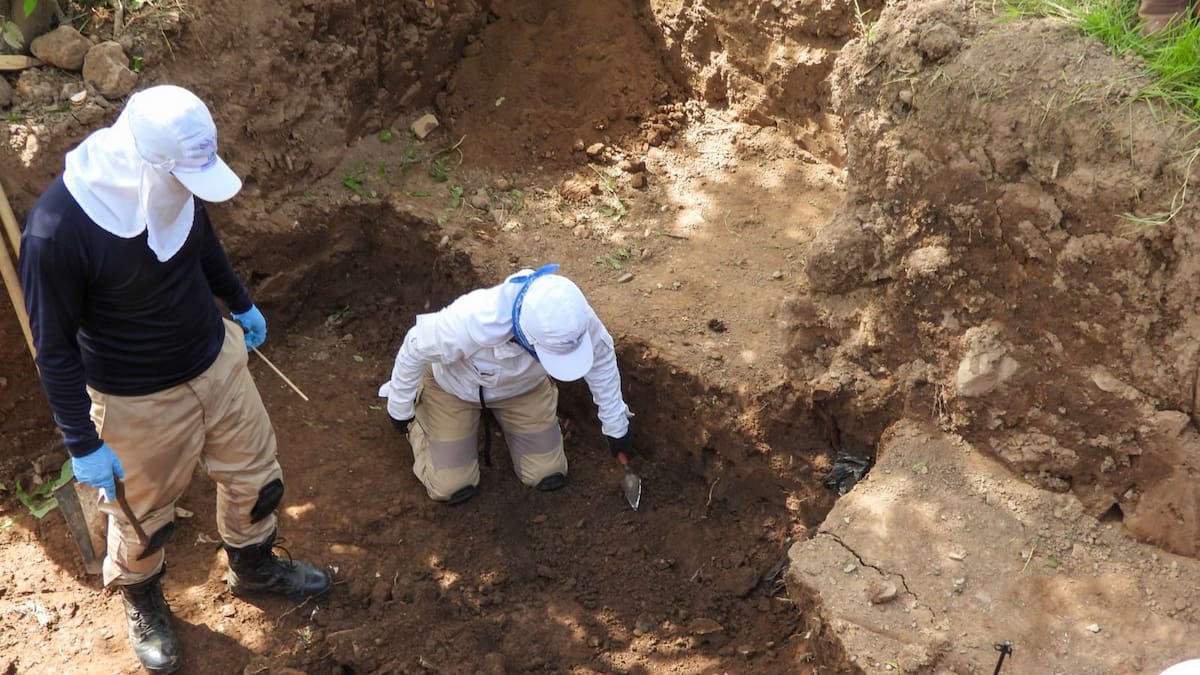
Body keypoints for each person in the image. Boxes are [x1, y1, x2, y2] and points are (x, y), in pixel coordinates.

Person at [19, 85, 330, 674]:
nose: (191, 188)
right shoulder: (57, 231)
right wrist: (83, 446)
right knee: (143, 518)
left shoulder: (171, 183)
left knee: (257, 479)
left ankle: (254, 567)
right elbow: (54, 351)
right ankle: (143, 600)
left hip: (217, 363)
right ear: (145, 162)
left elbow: (200, 239)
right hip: (139, 402)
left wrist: (239, 302)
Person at [378, 264, 634, 504]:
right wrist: (400, 407)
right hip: (455, 389)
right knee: (452, 487)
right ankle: (421, 423)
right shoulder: (469, 322)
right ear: (526, 337)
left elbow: (601, 360)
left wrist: (616, 426)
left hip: (524, 389)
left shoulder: (572, 317)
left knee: (547, 474)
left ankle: (502, 420)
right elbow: (414, 347)